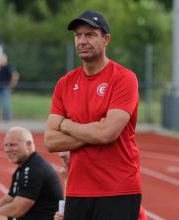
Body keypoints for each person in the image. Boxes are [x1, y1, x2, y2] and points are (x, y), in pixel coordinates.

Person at [44, 9, 141, 220]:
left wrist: (67, 125)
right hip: (78, 191)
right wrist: (94, 129)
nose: (82, 40)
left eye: (90, 34)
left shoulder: (124, 79)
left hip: (117, 189)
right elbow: (50, 142)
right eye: (78, 35)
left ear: (106, 39)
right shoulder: (64, 83)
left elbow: (107, 134)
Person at [0, 127, 63, 220]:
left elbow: (17, 209)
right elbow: (10, 198)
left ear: (28, 144)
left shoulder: (35, 169)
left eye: (12, 145)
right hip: (30, 216)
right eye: (6, 145)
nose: (7, 149)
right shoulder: (25, 166)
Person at [0, 53, 19, 122]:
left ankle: (7, 117)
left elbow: (15, 75)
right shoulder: (1, 67)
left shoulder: (8, 67)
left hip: (5, 87)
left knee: (6, 103)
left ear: (4, 59)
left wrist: (12, 86)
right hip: (0, 87)